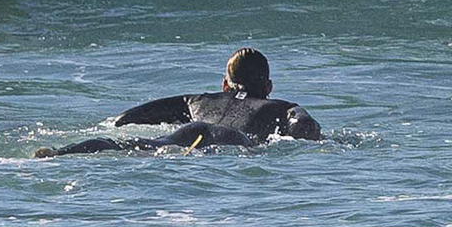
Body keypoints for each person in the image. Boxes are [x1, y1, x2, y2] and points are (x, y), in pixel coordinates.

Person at [36, 48, 321, 156]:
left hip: (190, 132)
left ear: (224, 85)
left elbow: (130, 117)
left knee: (128, 146)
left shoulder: (195, 101)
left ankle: (58, 153)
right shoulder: (282, 107)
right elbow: (305, 126)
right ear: (268, 87)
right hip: (234, 140)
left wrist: (117, 123)